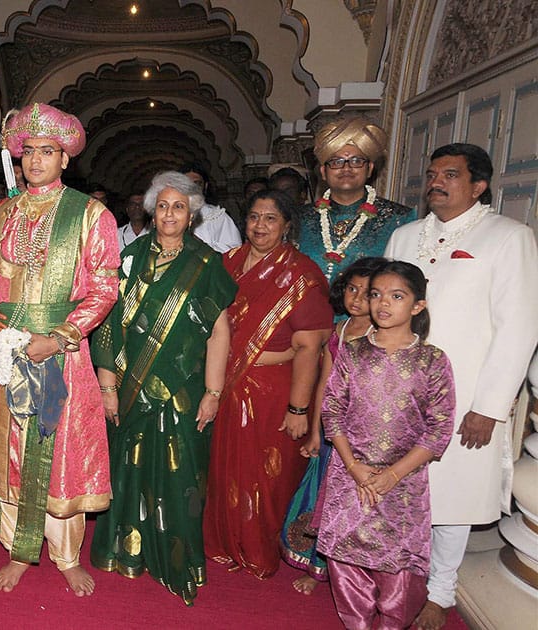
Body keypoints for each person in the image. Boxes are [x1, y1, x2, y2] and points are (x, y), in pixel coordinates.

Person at [0, 102, 120, 596]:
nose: (35, 160)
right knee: (11, 449)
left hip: (59, 351)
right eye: (28, 151)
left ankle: (67, 553)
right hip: (6, 349)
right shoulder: (1, 212)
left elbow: (104, 287)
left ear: (65, 157)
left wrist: (59, 337)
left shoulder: (91, 214)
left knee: (59, 453)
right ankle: (18, 550)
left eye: (47, 151)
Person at [384, 143, 538, 630]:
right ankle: (394, 575)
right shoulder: (406, 236)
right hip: (395, 390)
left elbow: (519, 325)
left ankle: (440, 592)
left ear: (478, 186)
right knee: (394, 487)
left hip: (464, 392)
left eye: (450, 174)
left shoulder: (508, 237)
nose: (436, 182)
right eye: (432, 173)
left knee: (450, 496)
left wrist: (489, 406)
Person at [90, 172, 236, 605]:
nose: (170, 213)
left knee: (182, 474)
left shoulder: (207, 265)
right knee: (128, 470)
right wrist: (107, 385)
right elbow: (109, 327)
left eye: (179, 207)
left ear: (192, 215)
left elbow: (219, 333)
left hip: (184, 391)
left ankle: (177, 557)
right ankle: (126, 553)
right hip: (132, 389)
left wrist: (213, 393)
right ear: (151, 211)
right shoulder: (129, 258)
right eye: (163, 205)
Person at [318, 261, 455, 630]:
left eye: (396, 296)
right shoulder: (353, 351)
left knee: (398, 564)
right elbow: (332, 410)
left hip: (404, 480)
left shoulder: (432, 360)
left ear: (417, 306)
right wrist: (352, 466)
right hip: (352, 473)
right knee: (347, 560)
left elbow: (439, 429)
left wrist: (393, 475)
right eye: (375, 294)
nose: (382, 304)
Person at [203, 189, 333, 579]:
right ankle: (223, 543)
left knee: (268, 475)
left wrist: (299, 409)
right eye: (254, 217)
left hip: (274, 388)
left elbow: (310, 347)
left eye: (270, 219)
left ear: (287, 226)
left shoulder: (301, 275)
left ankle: (259, 548)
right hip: (224, 383)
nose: (260, 226)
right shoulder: (227, 264)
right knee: (222, 469)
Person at [280, 256, 386, 595]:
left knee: (351, 503)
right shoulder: (340, 328)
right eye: (352, 289)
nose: (357, 299)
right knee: (320, 496)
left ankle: (353, 573)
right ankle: (317, 565)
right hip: (331, 430)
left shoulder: (380, 335)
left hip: (362, 436)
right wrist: (315, 430)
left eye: (367, 292)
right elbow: (324, 382)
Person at [297, 118, 414, 280]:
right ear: (324, 172)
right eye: (337, 162)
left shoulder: (400, 219)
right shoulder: (298, 218)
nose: (347, 168)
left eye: (356, 161)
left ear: (369, 169)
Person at [181, 162, 241, 253]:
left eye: (196, 184)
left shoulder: (218, 216)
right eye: (186, 184)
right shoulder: (168, 215)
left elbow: (234, 251)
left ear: (205, 186)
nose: (191, 188)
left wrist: (200, 246)